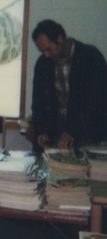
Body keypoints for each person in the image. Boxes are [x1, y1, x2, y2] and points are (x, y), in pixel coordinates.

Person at [31, 19, 107, 151]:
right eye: (42, 51)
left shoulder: (91, 57)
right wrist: (41, 130)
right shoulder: (43, 64)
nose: (46, 55)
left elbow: (97, 102)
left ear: (59, 39)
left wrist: (74, 130)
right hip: (55, 132)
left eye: (48, 49)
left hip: (87, 132)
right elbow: (38, 102)